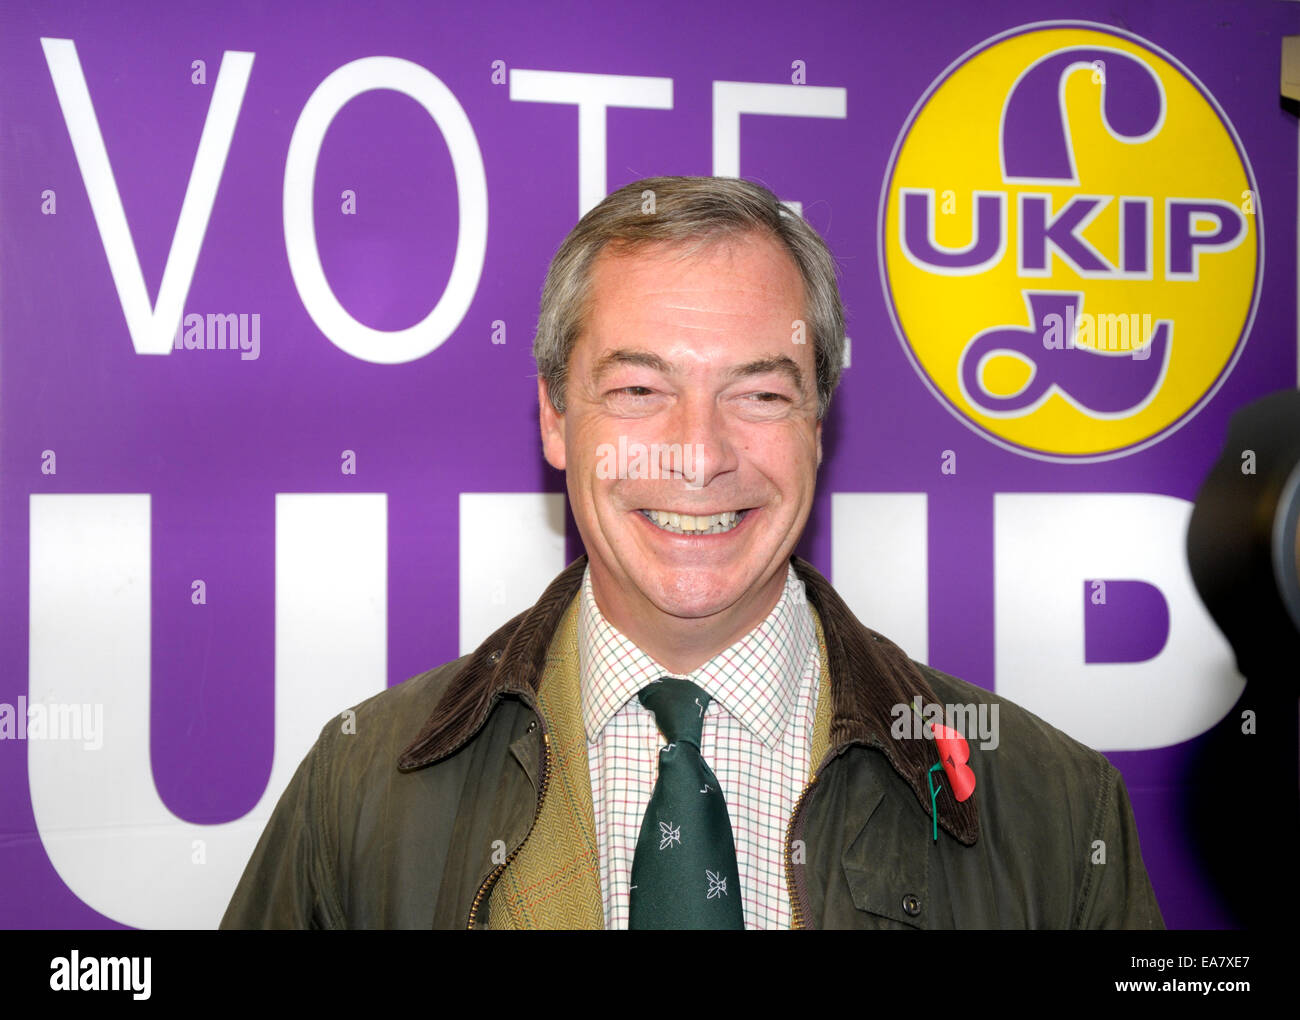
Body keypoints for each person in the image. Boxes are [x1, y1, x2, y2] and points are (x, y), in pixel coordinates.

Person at [221, 176, 1164, 929]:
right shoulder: (361, 794)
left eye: (760, 394)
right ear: (556, 417)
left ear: (817, 424)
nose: (699, 455)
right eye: (638, 390)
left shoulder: (1052, 809)